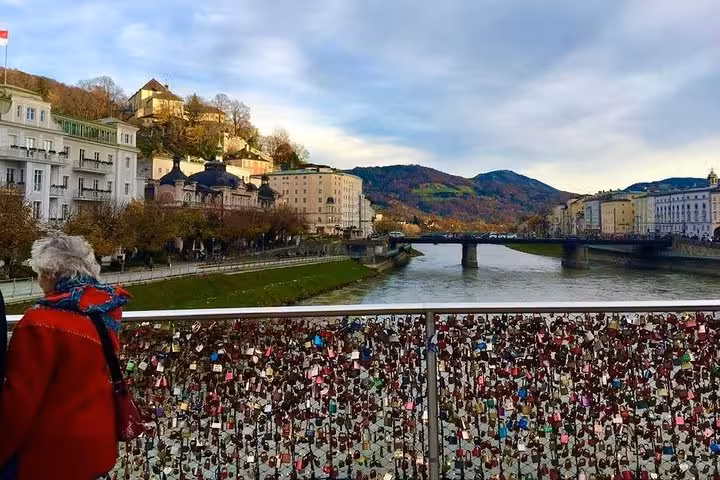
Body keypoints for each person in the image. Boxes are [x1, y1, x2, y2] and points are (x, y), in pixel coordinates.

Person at [0, 234, 131, 479]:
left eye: (39, 273)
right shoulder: (104, 311)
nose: (38, 280)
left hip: (52, 453)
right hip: (95, 444)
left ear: (51, 275)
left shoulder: (39, 323)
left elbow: (20, 399)